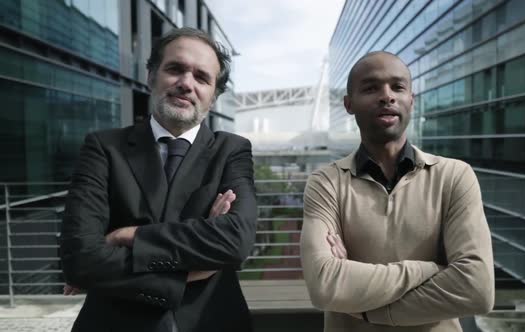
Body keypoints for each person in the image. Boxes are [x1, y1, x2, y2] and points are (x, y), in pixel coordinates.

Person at [59, 27, 257, 332]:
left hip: (212, 321)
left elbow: (234, 242)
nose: (186, 84)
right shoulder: (103, 147)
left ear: (214, 96)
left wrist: (128, 236)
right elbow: (81, 259)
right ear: (152, 76)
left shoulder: (232, 150)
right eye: (175, 69)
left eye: (202, 78)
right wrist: (194, 266)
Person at [300, 51, 494, 331]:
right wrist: (428, 269)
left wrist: (364, 310)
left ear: (411, 101)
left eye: (398, 87)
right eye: (370, 88)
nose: (387, 96)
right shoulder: (326, 183)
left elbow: (476, 289)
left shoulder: (454, 176)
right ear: (348, 104)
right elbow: (324, 285)